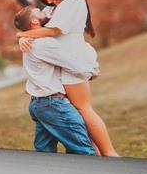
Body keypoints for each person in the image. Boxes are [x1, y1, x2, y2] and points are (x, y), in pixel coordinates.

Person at [15, 0, 119, 157]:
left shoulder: (73, 2)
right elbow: (37, 24)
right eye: (45, 1)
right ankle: (95, 154)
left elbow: (54, 30)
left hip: (71, 62)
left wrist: (22, 34)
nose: (48, 3)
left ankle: (109, 153)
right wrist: (25, 36)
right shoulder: (52, 9)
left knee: (83, 109)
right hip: (60, 65)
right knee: (76, 116)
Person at [16, 15, 96, 155]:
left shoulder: (30, 42)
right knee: (84, 151)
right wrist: (92, 70)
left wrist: (21, 36)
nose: (45, 14)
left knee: (45, 154)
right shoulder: (44, 43)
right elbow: (73, 63)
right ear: (34, 21)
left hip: (38, 104)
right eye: (39, 12)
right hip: (53, 104)